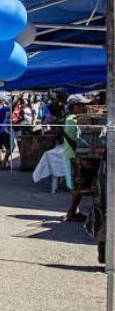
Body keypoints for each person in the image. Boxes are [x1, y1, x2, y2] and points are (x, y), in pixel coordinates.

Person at [63, 94, 94, 222]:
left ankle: (75, 212)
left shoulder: (74, 118)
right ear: (74, 106)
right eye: (81, 105)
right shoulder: (72, 119)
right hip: (72, 156)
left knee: (78, 186)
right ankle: (71, 213)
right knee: (77, 187)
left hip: (76, 155)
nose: (83, 108)